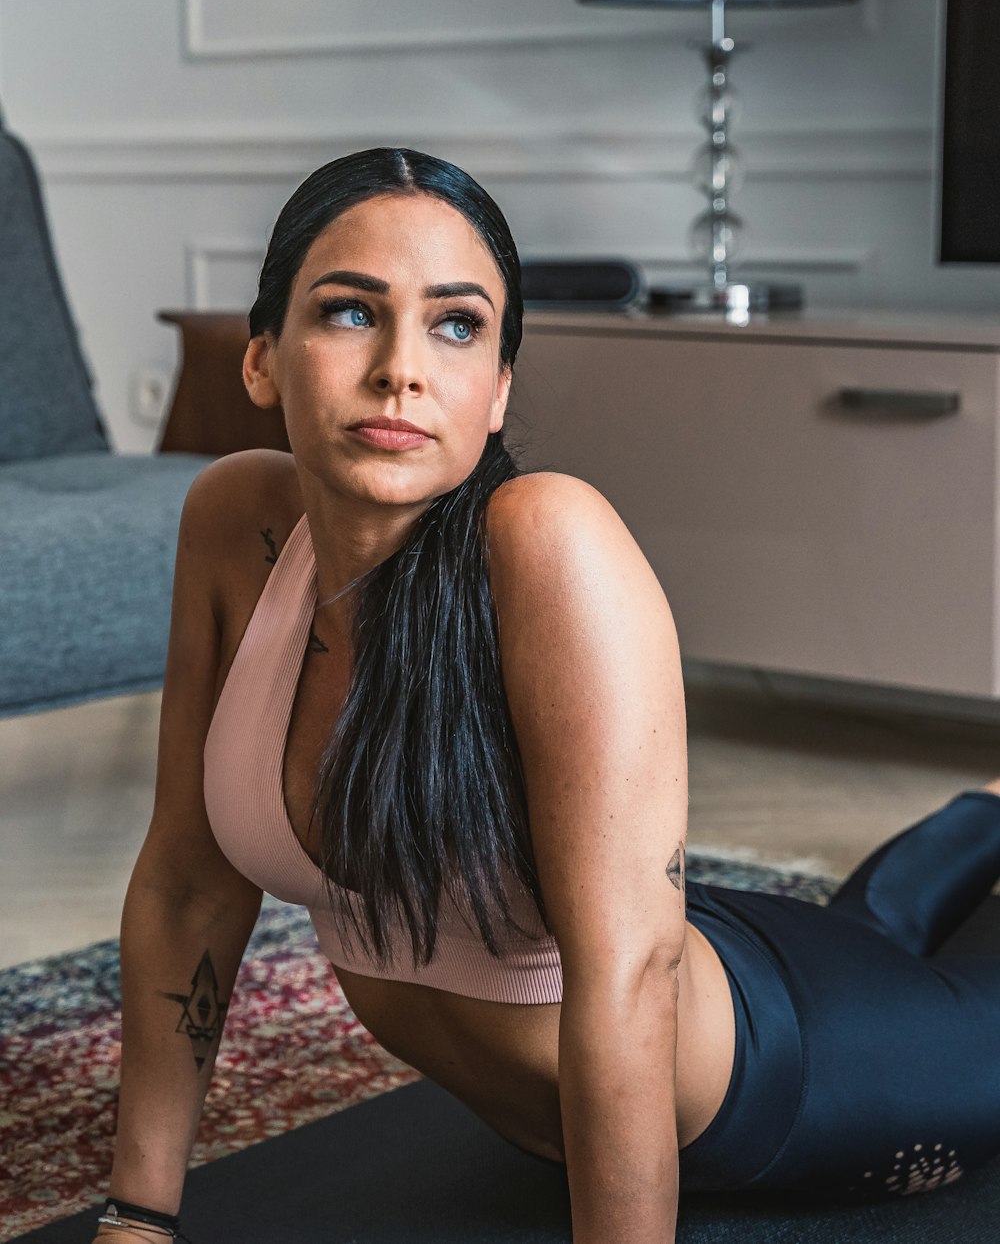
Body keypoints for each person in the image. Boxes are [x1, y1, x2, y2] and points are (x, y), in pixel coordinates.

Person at [93, 147, 1000, 1244]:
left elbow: (629, 968)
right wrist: (136, 1218)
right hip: (601, 1061)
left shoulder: (543, 539)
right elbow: (188, 885)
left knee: (900, 975)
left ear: (499, 391)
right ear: (258, 358)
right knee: (870, 926)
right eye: (346, 312)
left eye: (456, 324)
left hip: (801, 1075)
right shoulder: (235, 525)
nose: (400, 369)